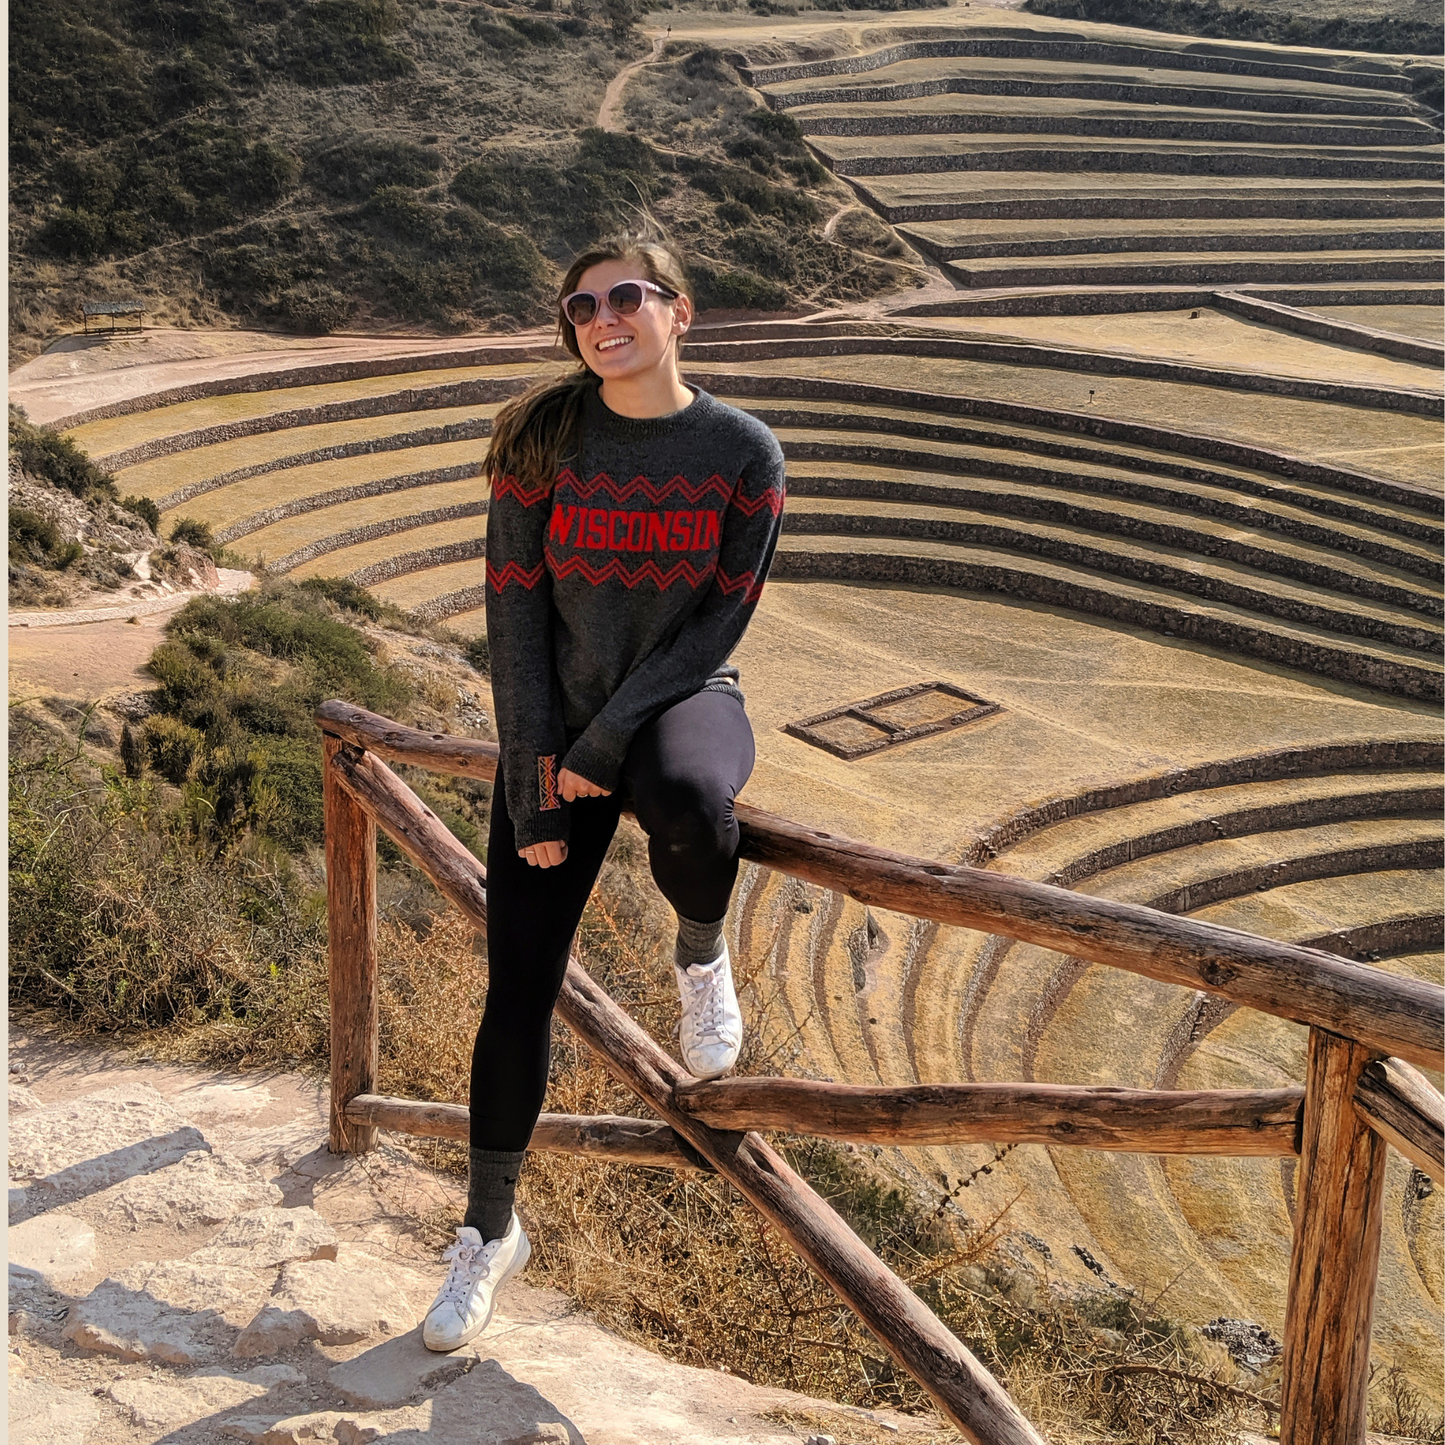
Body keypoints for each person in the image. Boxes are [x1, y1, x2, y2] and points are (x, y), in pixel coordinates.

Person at [421, 231, 786, 1352]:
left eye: (625, 297)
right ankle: (488, 1231)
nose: (600, 318)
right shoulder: (539, 439)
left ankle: (700, 954)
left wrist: (612, 740)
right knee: (516, 986)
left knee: (687, 796)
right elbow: (513, 627)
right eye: (580, 307)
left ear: (680, 311)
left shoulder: (741, 451)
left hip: (679, 695)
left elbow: (717, 619)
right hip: (556, 717)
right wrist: (539, 780)